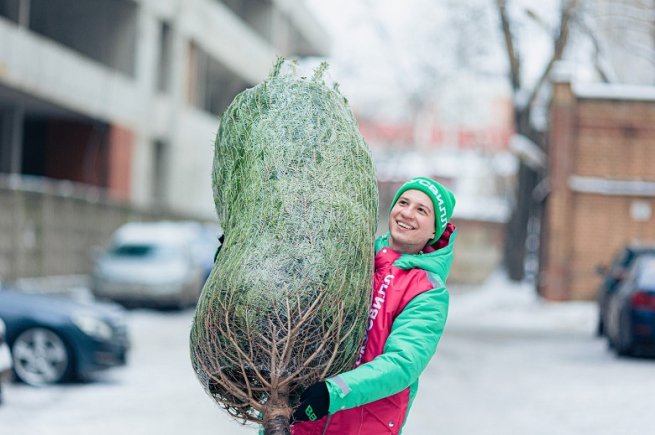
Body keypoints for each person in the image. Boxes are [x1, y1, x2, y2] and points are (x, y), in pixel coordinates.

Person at [290, 176, 457, 434]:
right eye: (403, 202)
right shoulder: (355, 258)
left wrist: (334, 392)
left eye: (421, 210)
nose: (407, 213)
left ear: (435, 230)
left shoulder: (428, 291)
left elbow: (401, 364)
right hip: (301, 420)